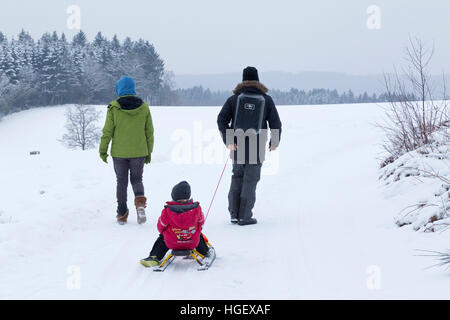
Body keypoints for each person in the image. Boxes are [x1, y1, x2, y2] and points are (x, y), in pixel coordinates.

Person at [217, 67, 282, 226]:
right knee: (250, 180)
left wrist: (229, 140)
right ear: (257, 80)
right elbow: (275, 123)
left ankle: (234, 214)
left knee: (237, 177)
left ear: (243, 80)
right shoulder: (266, 99)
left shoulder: (234, 99)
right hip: (257, 145)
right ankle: (245, 216)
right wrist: (274, 142)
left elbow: (221, 120)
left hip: (237, 144)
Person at [99, 76, 154, 225]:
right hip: (139, 152)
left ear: (119, 89)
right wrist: (149, 151)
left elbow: (107, 132)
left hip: (119, 154)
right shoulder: (144, 107)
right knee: (137, 180)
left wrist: (102, 151)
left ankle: (122, 212)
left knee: (121, 182)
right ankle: (140, 205)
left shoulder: (113, 108)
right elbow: (149, 132)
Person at [141, 181, 210, 267]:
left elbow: (160, 227)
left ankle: (154, 257)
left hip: (172, 242)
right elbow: (201, 222)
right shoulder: (196, 209)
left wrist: (166, 232)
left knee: (162, 237)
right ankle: (205, 252)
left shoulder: (167, 211)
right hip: (192, 242)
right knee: (198, 233)